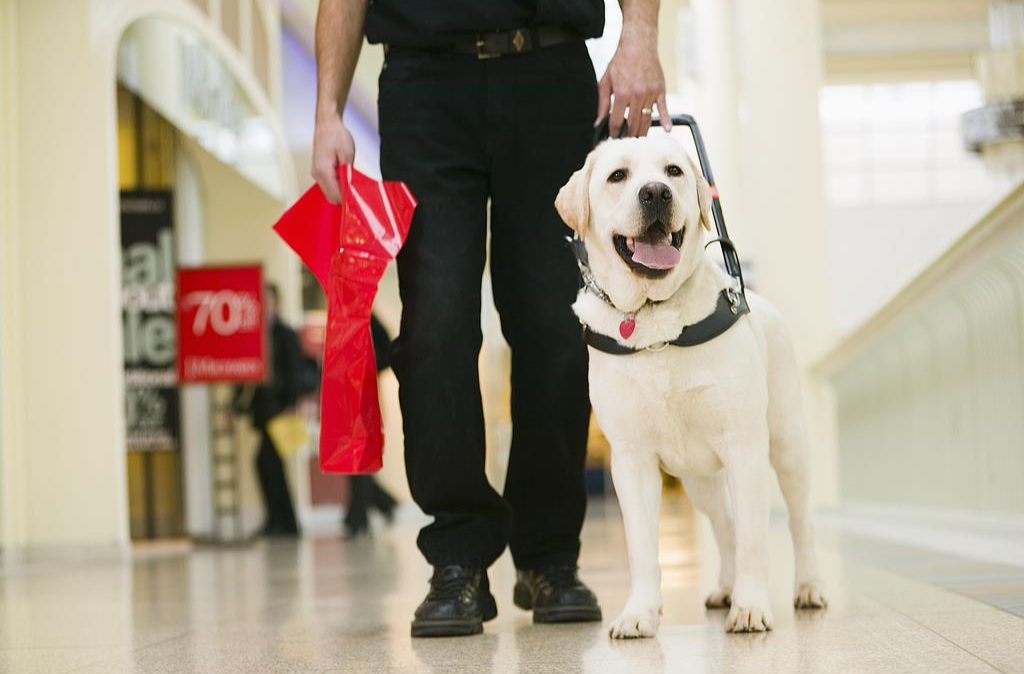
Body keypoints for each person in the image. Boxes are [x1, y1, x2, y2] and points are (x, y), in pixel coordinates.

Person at [312, 0, 670, 637]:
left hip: (550, 75)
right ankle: (458, 556)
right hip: (423, 87)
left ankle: (550, 557)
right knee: (435, 329)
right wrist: (327, 112)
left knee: (557, 330)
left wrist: (639, 35)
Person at [236, 283, 304, 537]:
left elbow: (294, 371)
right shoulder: (255, 334)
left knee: (268, 462)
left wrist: (291, 404)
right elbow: (245, 375)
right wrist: (237, 407)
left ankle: (284, 522)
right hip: (263, 410)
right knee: (268, 464)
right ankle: (281, 521)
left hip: (280, 409)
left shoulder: (285, 334)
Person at [342, 315, 399, 539]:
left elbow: (389, 352)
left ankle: (358, 518)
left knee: (359, 460)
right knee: (352, 461)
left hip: (365, 397)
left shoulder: (370, 321)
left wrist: (368, 366)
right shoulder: (340, 321)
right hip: (345, 398)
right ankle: (381, 505)